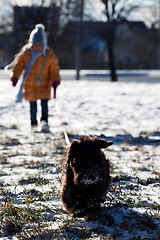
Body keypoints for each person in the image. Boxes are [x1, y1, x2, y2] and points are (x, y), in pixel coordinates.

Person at [8, 24, 61, 132]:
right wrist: (15, 77)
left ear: (44, 44)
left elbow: (54, 69)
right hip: (30, 85)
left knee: (44, 105)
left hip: (44, 85)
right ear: (31, 44)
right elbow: (18, 66)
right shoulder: (26, 54)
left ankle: (44, 122)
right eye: (35, 45)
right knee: (33, 106)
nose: (38, 47)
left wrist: (55, 80)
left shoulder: (48, 55)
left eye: (40, 45)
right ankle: (33, 123)